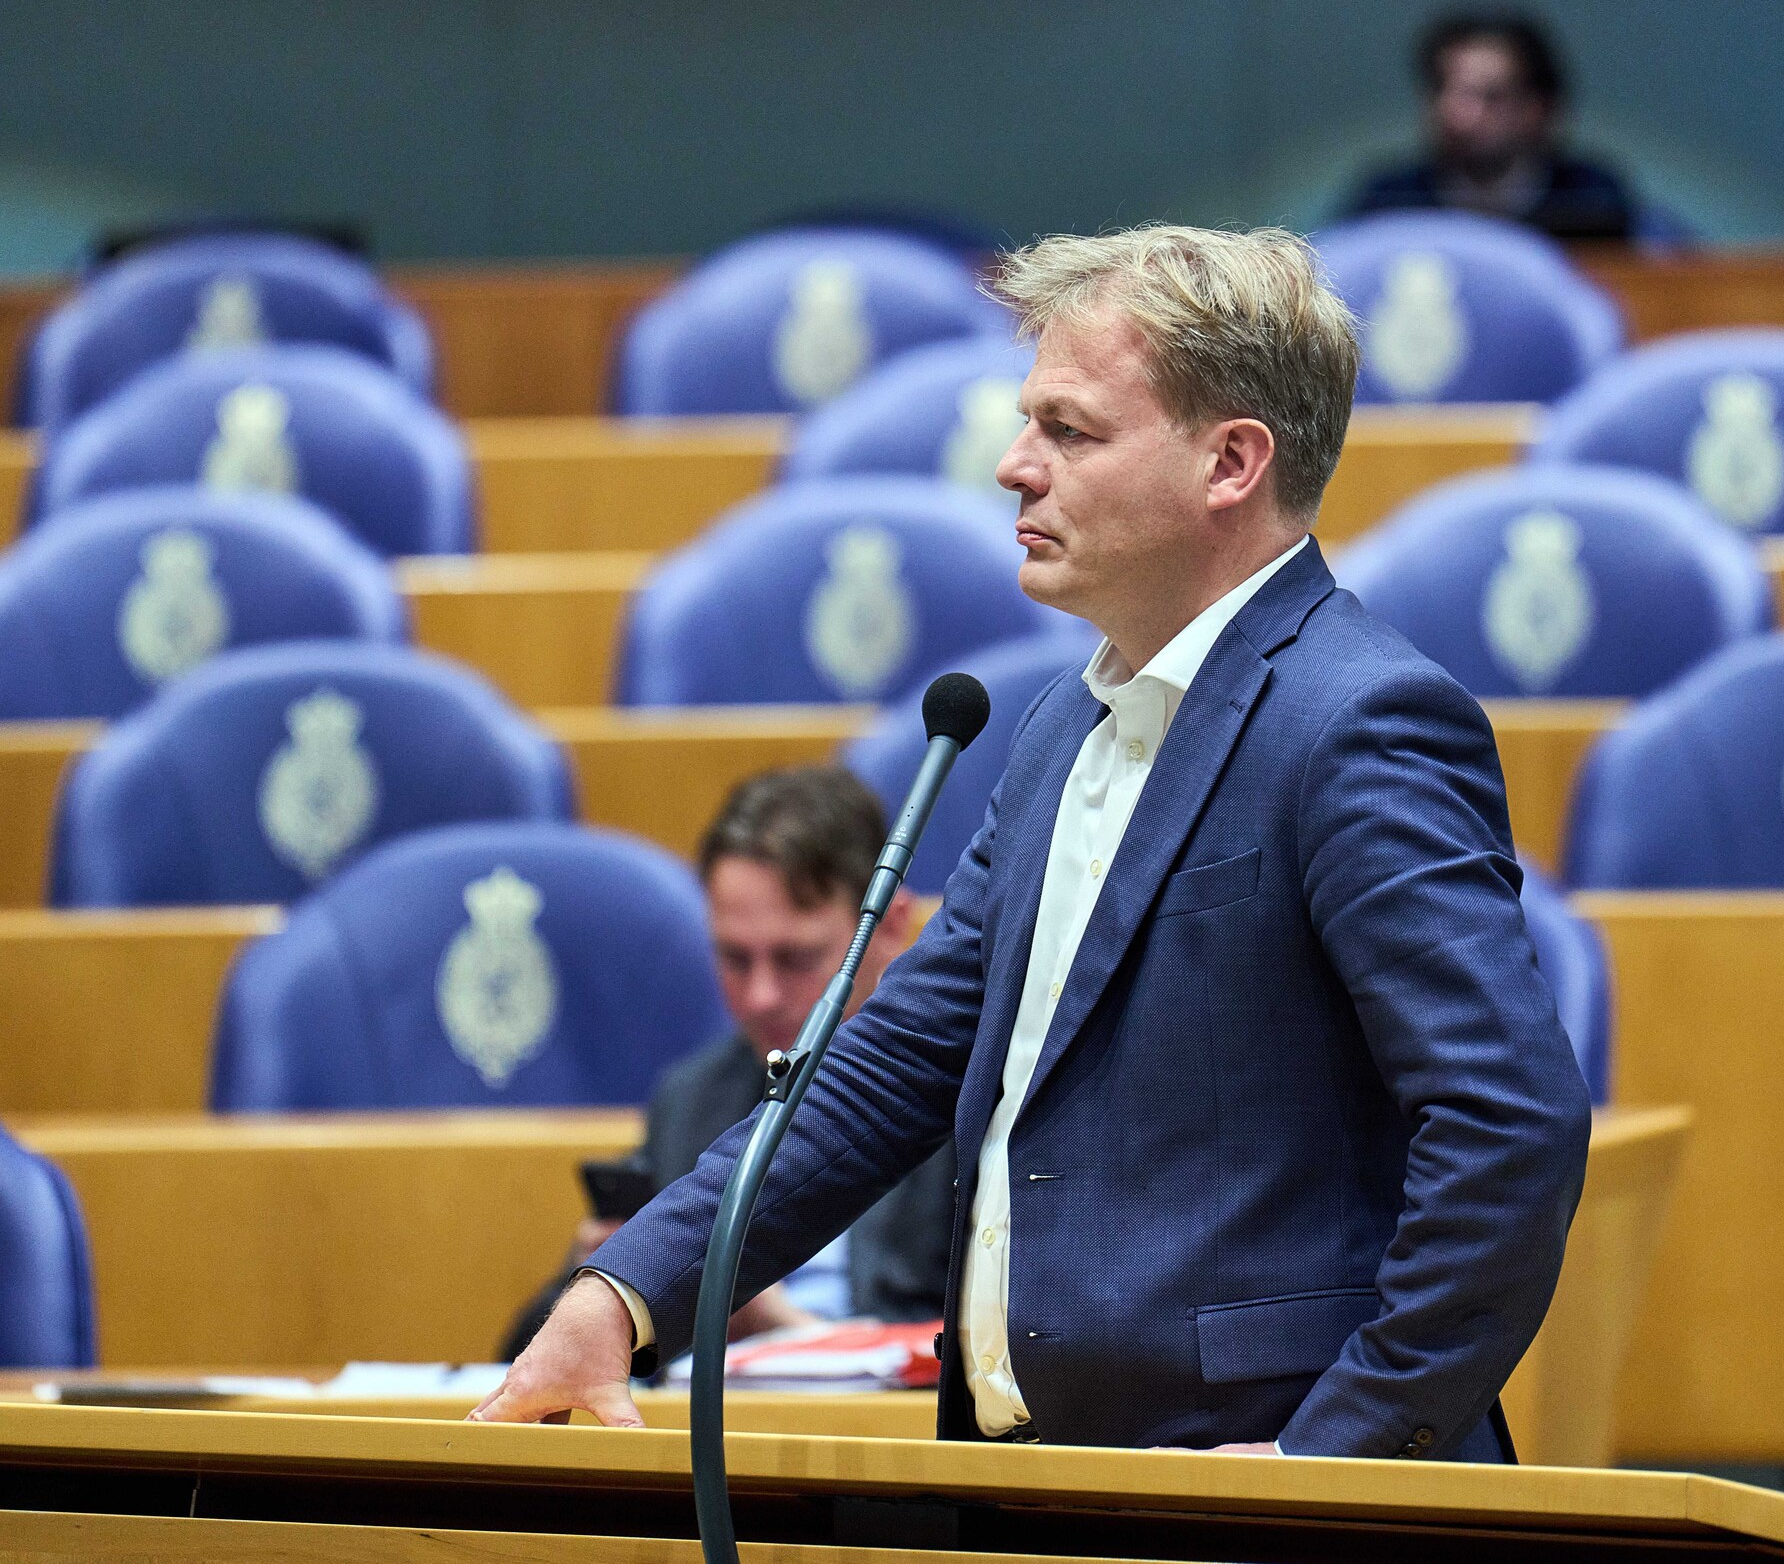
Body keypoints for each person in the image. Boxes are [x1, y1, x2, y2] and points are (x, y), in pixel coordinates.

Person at [475, 225, 1593, 1460]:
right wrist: (622, 1295)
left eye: (1068, 431)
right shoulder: (1065, 724)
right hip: (1042, 1480)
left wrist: (1337, 1450)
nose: (1013, 466)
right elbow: (893, 1064)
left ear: (1229, 461)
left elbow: (1507, 1127)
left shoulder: (1357, 721)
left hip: (1277, 1509)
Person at [496, 765, 954, 1362]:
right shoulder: (692, 1097)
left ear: (890, 926)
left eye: (795, 957)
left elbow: (988, 1347)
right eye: (735, 958)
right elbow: (515, 1355)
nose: (761, 995)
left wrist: (776, 1324)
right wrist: (598, 1282)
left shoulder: (963, 1097)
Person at [1344, 8, 1639, 241]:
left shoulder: (1592, 199)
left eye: (1490, 96)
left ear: (1538, 109)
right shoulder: (1388, 201)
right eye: (1443, 90)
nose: (1457, 114)